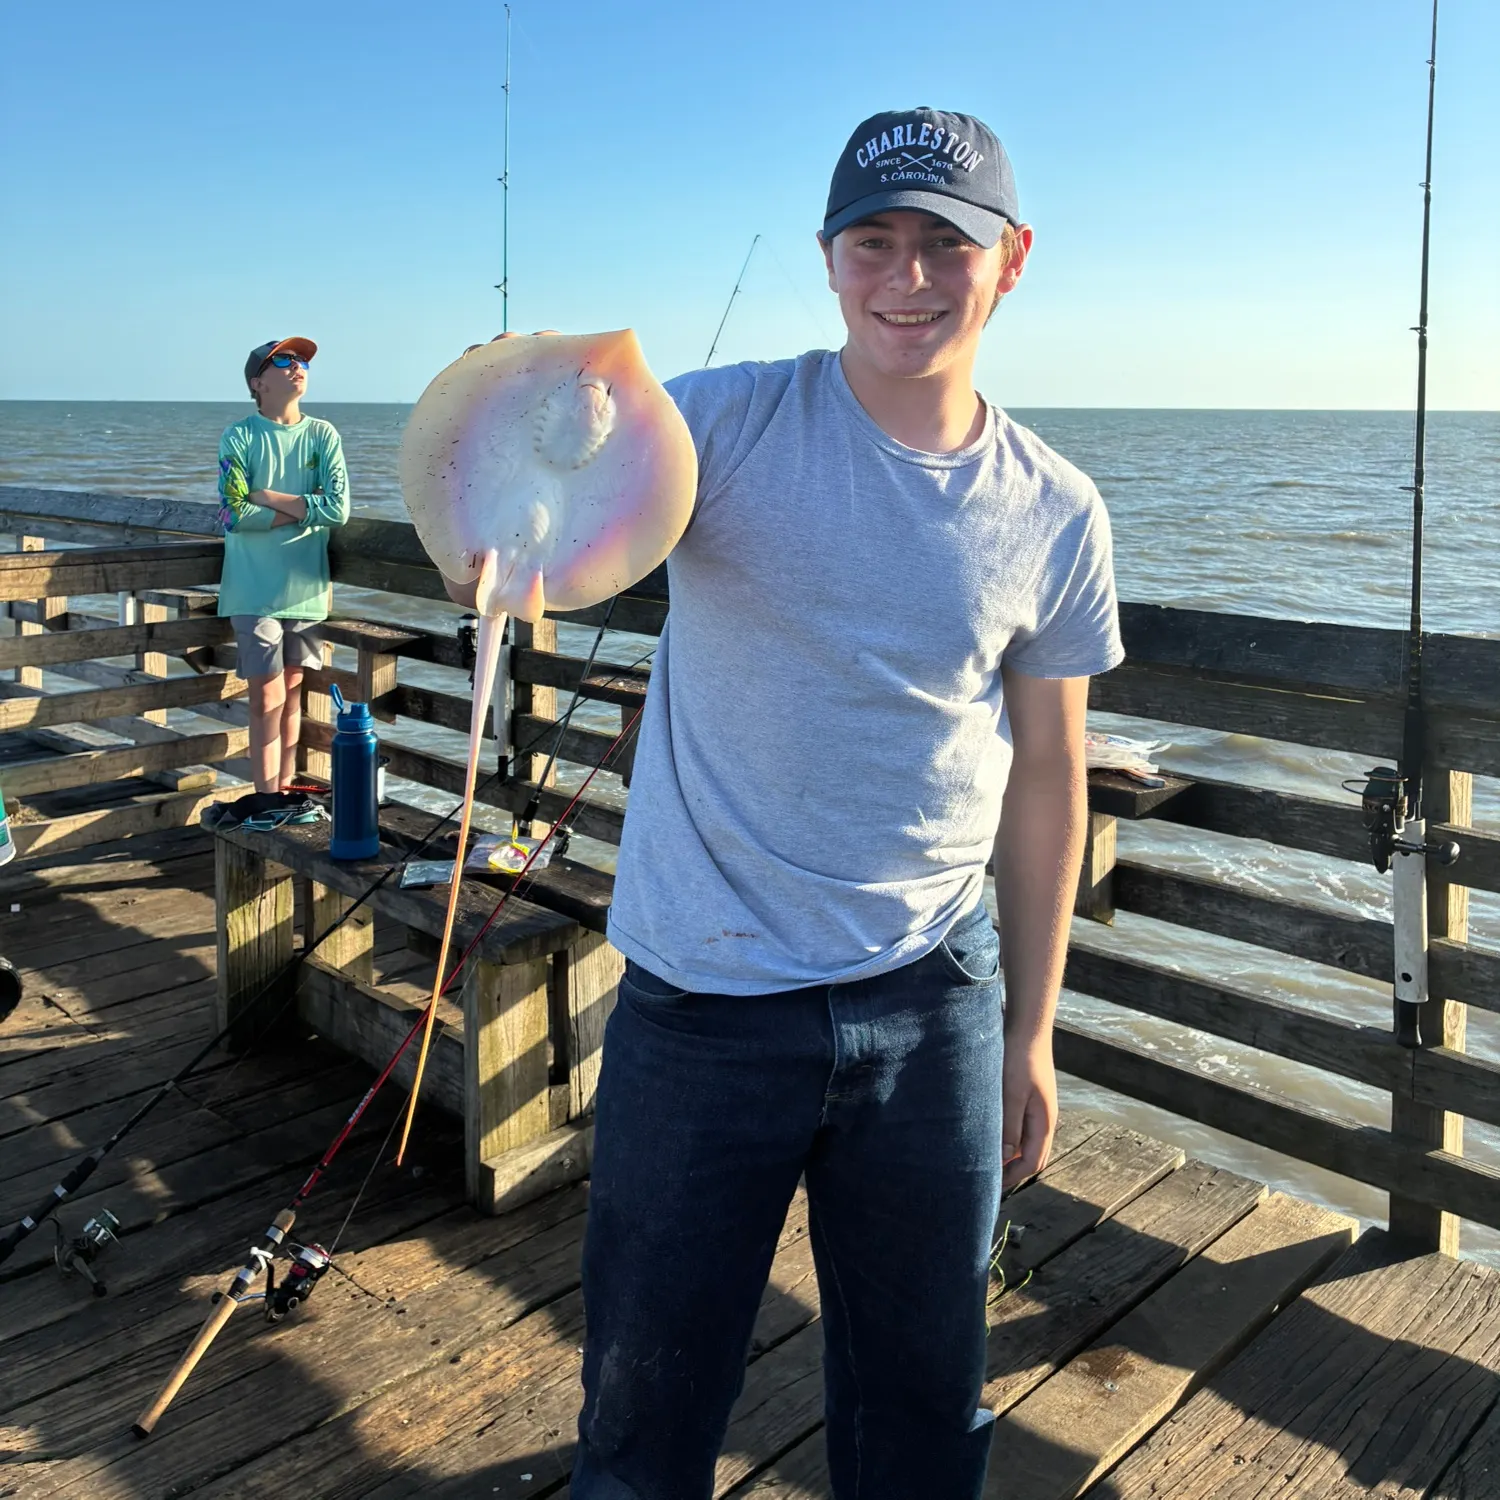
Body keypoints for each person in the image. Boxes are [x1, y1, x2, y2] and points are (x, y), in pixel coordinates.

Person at [458, 106, 1123, 1500]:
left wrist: (1033, 1031)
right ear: (828, 261)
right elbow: (545, 487)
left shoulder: (1056, 510)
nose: (909, 278)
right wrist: (504, 513)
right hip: (701, 1001)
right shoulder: (719, 422)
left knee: (924, 1422)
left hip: (935, 1001)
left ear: (1013, 261)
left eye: (947, 243)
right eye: (874, 241)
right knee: (643, 1422)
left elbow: (1050, 778)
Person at [211, 337, 350, 823]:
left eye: (305, 360)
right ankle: (265, 795)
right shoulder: (240, 436)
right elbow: (231, 512)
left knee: (292, 688)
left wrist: (270, 496)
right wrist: (301, 510)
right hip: (252, 587)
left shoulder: (324, 435)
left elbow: (338, 508)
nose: (299, 367)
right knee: (266, 691)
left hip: (307, 586)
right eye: (285, 360)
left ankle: (285, 790)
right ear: (258, 382)